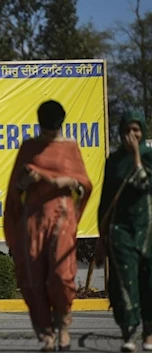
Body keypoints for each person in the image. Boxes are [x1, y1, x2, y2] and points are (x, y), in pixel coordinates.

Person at [3, 100, 92, 352]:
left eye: (54, 129)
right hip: (34, 219)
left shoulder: (70, 147)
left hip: (62, 217)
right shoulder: (29, 147)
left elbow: (83, 183)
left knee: (61, 276)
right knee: (32, 278)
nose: (51, 134)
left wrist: (60, 181)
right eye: (47, 129)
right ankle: (45, 333)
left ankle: (63, 323)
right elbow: (14, 190)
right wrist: (25, 181)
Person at [97, 111, 152, 353]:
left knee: (148, 281)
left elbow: (144, 185)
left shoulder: (149, 157)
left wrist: (137, 156)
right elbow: (106, 201)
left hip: (148, 230)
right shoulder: (114, 161)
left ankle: (149, 333)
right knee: (123, 282)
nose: (131, 135)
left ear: (143, 131)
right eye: (127, 130)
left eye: (136, 130)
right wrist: (101, 238)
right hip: (120, 231)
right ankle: (128, 333)